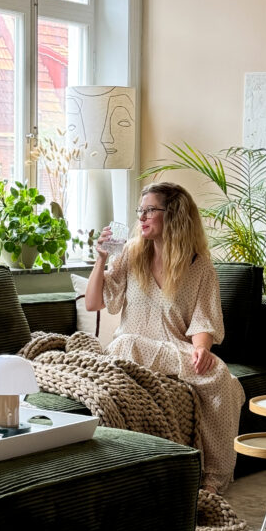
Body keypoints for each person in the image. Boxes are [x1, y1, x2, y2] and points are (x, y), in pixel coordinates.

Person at [84, 181, 244, 494]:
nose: (141, 218)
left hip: (173, 352)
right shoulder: (130, 254)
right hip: (130, 348)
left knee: (223, 380)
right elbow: (94, 302)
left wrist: (201, 349)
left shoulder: (200, 266)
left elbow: (203, 319)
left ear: (173, 215)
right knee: (126, 343)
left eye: (150, 211)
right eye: (139, 211)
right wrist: (101, 258)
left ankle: (213, 479)